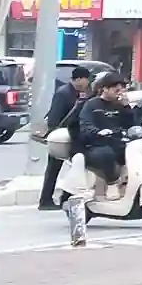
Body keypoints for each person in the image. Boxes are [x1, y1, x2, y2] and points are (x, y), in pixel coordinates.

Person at [65, 74, 134, 246]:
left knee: (133, 152)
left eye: (121, 89)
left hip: (116, 141)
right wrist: (97, 132)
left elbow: (132, 123)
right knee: (106, 154)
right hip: (94, 145)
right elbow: (85, 124)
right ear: (104, 88)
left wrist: (128, 108)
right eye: (115, 89)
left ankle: (127, 186)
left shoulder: (120, 105)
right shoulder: (92, 105)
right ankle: (111, 183)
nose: (119, 92)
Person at [35, 63, 97, 210]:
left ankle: (63, 198)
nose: (87, 83)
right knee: (53, 169)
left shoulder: (77, 92)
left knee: (72, 168)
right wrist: (55, 133)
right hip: (60, 137)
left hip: (70, 136)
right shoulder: (63, 93)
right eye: (86, 80)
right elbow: (54, 117)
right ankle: (45, 200)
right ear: (79, 79)